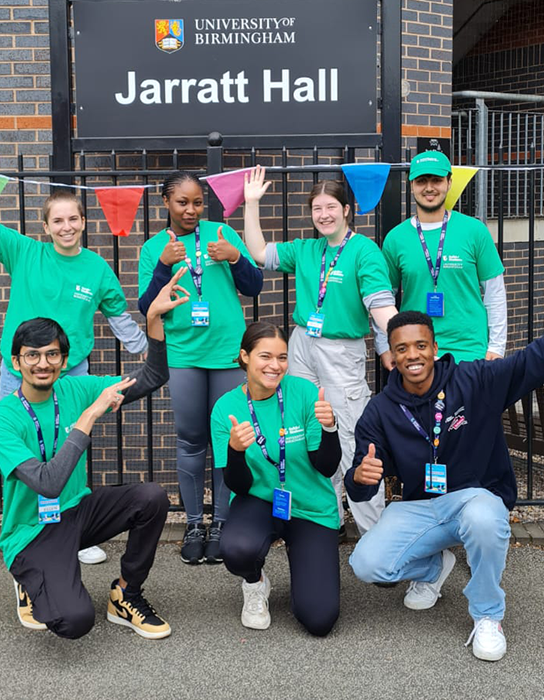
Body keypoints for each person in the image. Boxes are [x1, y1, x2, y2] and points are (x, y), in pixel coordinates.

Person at [0, 162, 149, 566]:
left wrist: (146, 345)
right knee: (23, 454)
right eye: (58, 220)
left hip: (71, 377)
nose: (66, 226)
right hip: (18, 375)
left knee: (71, 451)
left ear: (84, 222)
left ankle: (75, 529)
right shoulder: (23, 252)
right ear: (46, 226)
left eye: (73, 218)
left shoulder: (96, 267)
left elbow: (118, 315)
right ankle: (21, 532)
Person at [0, 269, 189, 640]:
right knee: (74, 622)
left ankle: (126, 594)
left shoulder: (76, 388)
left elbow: (153, 376)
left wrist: (154, 321)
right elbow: (48, 482)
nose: (42, 363)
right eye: (32, 356)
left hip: (77, 511)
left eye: (51, 355)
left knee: (151, 498)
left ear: (63, 362)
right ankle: (29, 579)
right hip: (32, 532)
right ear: (16, 362)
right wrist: (90, 415)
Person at [344, 310, 544, 662]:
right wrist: (359, 478)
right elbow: (362, 484)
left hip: (476, 498)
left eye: (421, 345)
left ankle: (487, 615)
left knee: (483, 519)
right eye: (401, 348)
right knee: (366, 563)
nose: (412, 355)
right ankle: (435, 568)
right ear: (391, 354)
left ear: (435, 347)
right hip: (423, 508)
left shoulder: (475, 379)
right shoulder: (380, 410)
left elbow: (532, 360)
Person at [243, 166, 397, 535]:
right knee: (312, 431)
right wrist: (251, 205)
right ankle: (328, 519)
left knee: (350, 439)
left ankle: (374, 534)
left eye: (331, 207)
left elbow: (381, 307)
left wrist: (404, 340)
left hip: (341, 352)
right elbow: (259, 252)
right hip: (301, 346)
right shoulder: (307, 249)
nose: (324, 215)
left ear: (346, 210)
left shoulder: (364, 251)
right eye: (317, 209)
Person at [138, 171, 263, 565]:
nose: (191, 210)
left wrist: (236, 257)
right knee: (191, 439)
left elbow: (254, 286)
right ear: (165, 203)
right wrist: (162, 267)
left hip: (227, 352)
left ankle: (222, 523)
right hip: (184, 355)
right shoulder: (154, 247)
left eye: (197, 202)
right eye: (182, 202)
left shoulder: (222, 233)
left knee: (229, 437)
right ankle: (194, 523)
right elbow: (147, 307)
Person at [210, 322, 342, 636]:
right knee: (236, 548)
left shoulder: (305, 393)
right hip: (258, 500)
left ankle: (306, 585)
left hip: (310, 505)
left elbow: (325, 467)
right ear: (244, 356)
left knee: (320, 619)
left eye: (282, 357)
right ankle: (255, 584)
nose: (275, 365)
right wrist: (236, 451)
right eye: (265, 356)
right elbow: (238, 485)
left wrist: (330, 430)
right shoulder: (225, 408)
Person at [380, 150, 507, 367]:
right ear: (411, 186)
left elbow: (494, 293)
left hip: (470, 351)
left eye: (436, 180)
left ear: (449, 183)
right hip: (415, 351)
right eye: (421, 181)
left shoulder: (475, 230)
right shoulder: (395, 239)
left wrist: (496, 347)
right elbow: (382, 299)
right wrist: (384, 347)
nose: (429, 188)